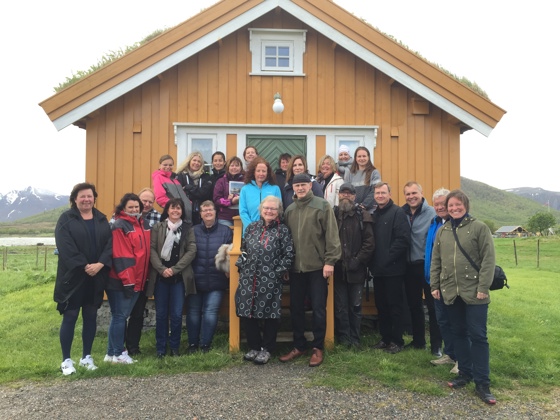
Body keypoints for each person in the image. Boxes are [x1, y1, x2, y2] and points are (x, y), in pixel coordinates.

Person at [430, 189, 497, 405]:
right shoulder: (443, 230)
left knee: (478, 336)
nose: (454, 208)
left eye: (458, 205)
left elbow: (488, 259)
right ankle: (465, 374)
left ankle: (482, 382)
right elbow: (436, 261)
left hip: (475, 291)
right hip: (450, 291)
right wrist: (435, 285)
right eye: (451, 206)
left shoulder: (479, 228)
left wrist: (483, 287)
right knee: (458, 332)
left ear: (465, 206)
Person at [280, 173, 341, 367]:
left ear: (310, 186)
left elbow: (332, 235)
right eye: (297, 185)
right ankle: (299, 345)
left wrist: (330, 261)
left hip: (318, 267)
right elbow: (286, 240)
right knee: (296, 308)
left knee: (318, 309)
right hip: (296, 268)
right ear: (293, 188)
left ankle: (317, 347)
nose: (300, 188)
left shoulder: (322, 206)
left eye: (304, 185)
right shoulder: (289, 210)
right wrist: (287, 265)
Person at [54, 182, 112, 375]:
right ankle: (66, 360)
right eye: (82, 196)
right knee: (70, 316)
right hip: (73, 277)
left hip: (96, 277)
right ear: (74, 199)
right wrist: (85, 266)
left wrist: (100, 264)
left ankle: (86, 357)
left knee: (90, 316)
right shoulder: (66, 219)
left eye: (90, 196)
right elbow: (65, 247)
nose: (86, 199)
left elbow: (109, 245)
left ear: (94, 198)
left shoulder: (101, 219)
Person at [236, 196, 294, 365]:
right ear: (261, 210)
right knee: (248, 312)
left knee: (270, 314)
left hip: (270, 279)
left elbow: (289, 254)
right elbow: (244, 249)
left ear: (278, 212)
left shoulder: (282, 230)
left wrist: (278, 273)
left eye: (273, 209)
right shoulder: (252, 228)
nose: (269, 211)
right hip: (249, 277)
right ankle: (254, 347)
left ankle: (267, 349)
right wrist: (242, 266)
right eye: (266, 208)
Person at [146, 198, 197, 358]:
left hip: (178, 278)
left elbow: (191, 250)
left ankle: (174, 347)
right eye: (172, 208)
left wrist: (174, 270)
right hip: (161, 278)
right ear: (167, 210)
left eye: (178, 209)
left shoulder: (188, 229)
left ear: (182, 211)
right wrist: (162, 269)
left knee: (176, 315)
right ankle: (161, 348)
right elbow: (152, 249)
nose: (175, 211)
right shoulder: (158, 227)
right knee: (161, 314)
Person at [105, 193, 151, 364]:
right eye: (130, 207)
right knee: (120, 316)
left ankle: (111, 354)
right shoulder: (119, 225)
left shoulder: (143, 224)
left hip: (138, 280)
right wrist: (129, 281)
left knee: (119, 316)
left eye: (136, 207)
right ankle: (118, 353)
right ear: (123, 208)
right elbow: (121, 255)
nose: (134, 210)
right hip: (122, 281)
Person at [370, 182, 411, 354]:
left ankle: (397, 340)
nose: (380, 195)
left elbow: (402, 240)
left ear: (389, 193)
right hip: (378, 271)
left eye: (383, 192)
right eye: (377, 193)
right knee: (382, 306)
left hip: (394, 270)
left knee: (395, 306)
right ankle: (385, 338)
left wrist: (386, 259)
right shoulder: (374, 214)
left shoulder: (397, 212)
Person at [187, 201, 233, 353]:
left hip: (216, 280)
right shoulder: (193, 231)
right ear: (200, 214)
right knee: (193, 313)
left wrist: (227, 270)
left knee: (210, 312)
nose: (208, 213)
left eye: (210, 210)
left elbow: (230, 253)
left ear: (215, 212)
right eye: (204, 210)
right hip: (195, 280)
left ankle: (205, 345)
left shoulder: (225, 231)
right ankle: (193, 345)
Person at [333, 183, 375, 347]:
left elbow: (369, 243)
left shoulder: (362, 216)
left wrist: (357, 261)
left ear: (354, 196)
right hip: (337, 269)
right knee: (340, 306)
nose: (345, 196)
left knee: (355, 306)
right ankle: (343, 338)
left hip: (357, 270)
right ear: (339, 195)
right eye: (342, 193)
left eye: (349, 194)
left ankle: (355, 339)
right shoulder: (333, 214)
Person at [425, 188, 458, 374]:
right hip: (435, 281)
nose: (439, 207)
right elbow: (431, 253)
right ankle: (450, 354)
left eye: (442, 204)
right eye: (436, 204)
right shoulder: (435, 223)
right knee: (443, 321)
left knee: (457, 322)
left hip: (453, 283)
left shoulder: (457, 225)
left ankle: (462, 360)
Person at [401, 182, 437, 353]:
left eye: (414, 192)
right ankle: (418, 341)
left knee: (432, 305)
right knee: (414, 305)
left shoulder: (432, 214)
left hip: (427, 265)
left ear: (422, 193)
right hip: (409, 266)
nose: (411, 196)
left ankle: (436, 346)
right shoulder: (402, 213)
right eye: (407, 194)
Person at [124, 188, 161, 356]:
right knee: (121, 314)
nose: (146, 204)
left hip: (145, 273)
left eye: (149, 202)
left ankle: (133, 347)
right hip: (126, 274)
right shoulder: (121, 219)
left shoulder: (157, 218)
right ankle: (118, 348)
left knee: (138, 313)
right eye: (143, 201)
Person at [238, 157, 282, 233]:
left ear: (267, 173)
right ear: (253, 172)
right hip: (250, 232)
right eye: (258, 171)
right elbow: (243, 212)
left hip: (271, 232)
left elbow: (279, 210)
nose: (261, 174)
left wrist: (269, 227)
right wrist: (252, 227)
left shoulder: (275, 189)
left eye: (264, 171)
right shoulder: (245, 189)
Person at [176, 151, 214, 225]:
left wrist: (188, 187)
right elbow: (179, 194)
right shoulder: (181, 176)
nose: (196, 163)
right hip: (184, 212)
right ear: (189, 161)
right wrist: (196, 192)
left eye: (199, 161)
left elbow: (204, 194)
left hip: (201, 214)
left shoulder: (205, 177)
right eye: (194, 160)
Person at [343, 146, 381, 212]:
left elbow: (375, 191)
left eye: (364, 156)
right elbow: (347, 192)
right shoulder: (350, 173)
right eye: (359, 156)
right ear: (355, 158)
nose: (362, 158)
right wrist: (354, 206)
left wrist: (364, 205)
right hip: (353, 211)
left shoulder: (374, 172)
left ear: (368, 157)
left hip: (370, 211)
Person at [213, 156, 245, 227]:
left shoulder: (246, 181)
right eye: (232, 165)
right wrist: (230, 201)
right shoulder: (221, 181)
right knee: (226, 236)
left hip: (242, 216)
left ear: (241, 168)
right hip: (225, 217)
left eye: (237, 165)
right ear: (228, 167)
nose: (234, 168)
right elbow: (217, 200)